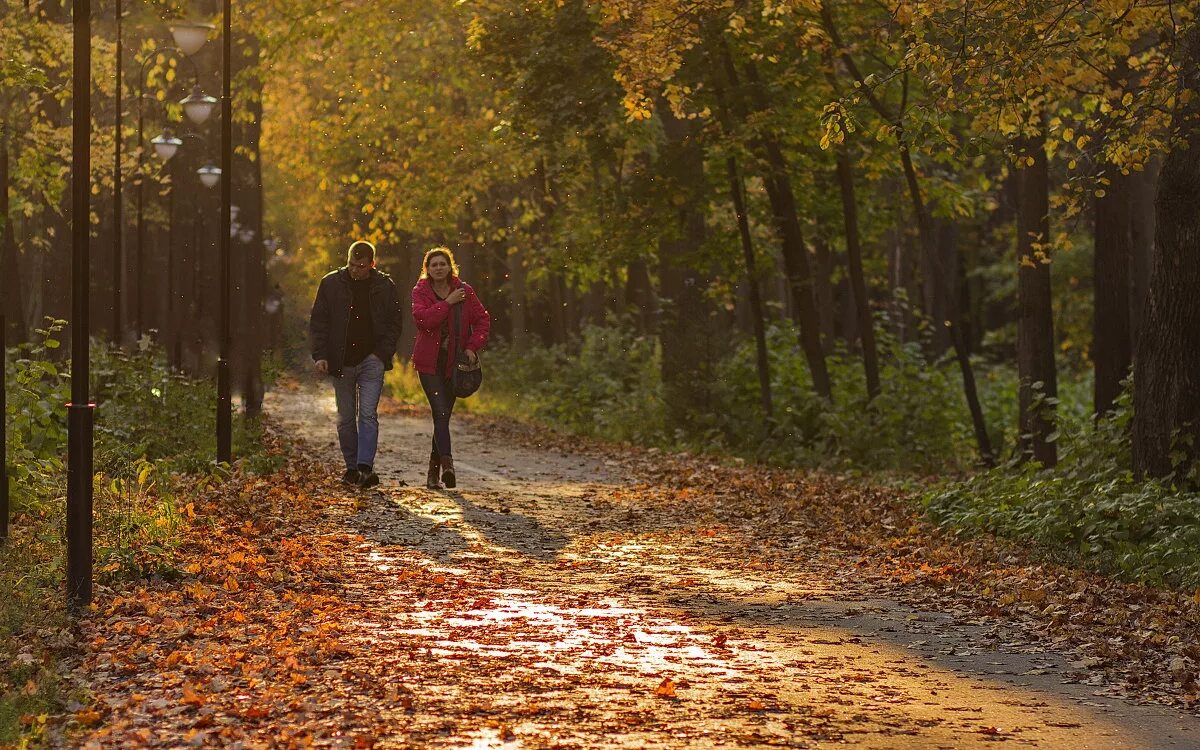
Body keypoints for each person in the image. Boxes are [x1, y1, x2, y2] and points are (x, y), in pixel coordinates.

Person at [310, 240, 402, 488]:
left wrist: (381, 354)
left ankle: (365, 467)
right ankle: (351, 467)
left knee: (368, 415)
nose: (355, 270)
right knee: (346, 417)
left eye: (361, 266)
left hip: (372, 360)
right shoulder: (331, 283)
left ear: (372, 264)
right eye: (351, 264)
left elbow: (395, 323)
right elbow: (319, 322)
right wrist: (320, 355)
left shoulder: (385, 286)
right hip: (342, 361)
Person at [411, 246, 491, 489]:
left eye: (442, 264)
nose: (438, 268)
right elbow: (424, 321)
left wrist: (472, 346)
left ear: (450, 266)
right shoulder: (420, 291)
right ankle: (448, 465)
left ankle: (433, 472)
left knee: (443, 416)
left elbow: (482, 320)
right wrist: (447, 303)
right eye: (433, 264)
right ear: (427, 269)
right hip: (428, 364)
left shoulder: (465, 291)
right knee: (441, 413)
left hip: (454, 365)